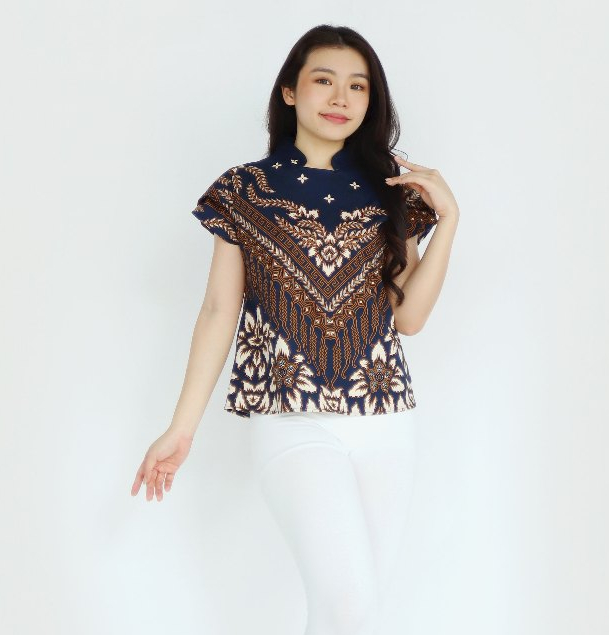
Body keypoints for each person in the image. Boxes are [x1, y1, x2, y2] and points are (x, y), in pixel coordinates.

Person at [131, 24, 459, 635]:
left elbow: (409, 318)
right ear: (289, 92)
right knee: (349, 605)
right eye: (324, 80)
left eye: (357, 86)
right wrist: (181, 428)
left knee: (353, 615)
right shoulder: (244, 191)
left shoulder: (392, 193)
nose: (341, 98)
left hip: (386, 423)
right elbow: (218, 310)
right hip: (292, 422)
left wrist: (449, 221)